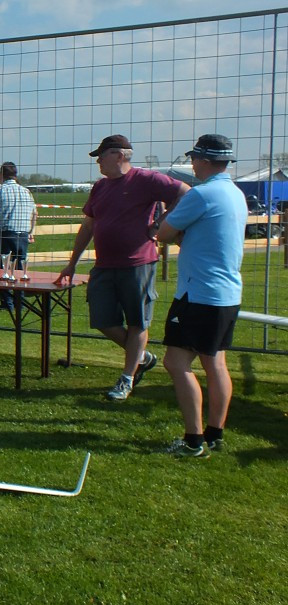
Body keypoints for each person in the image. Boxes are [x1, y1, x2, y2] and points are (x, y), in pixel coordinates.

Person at [56, 134, 189, 402]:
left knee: (138, 320)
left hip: (138, 263)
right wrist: (72, 263)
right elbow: (89, 226)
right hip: (104, 265)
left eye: (101, 157)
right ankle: (141, 357)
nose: (98, 163)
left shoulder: (147, 179)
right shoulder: (100, 187)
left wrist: (160, 223)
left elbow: (185, 193)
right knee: (102, 320)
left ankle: (126, 378)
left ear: (119, 155)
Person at [156, 134, 248, 457]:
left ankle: (193, 441)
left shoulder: (202, 195)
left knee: (175, 362)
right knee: (216, 363)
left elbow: (163, 232)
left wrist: (175, 227)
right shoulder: (236, 194)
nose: (192, 163)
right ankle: (214, 433)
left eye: (194, 157)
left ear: (205, 160)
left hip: (198, 294)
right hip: (227, 293)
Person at [0, 162, 37, 314]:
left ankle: (7, 302)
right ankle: (19, 300)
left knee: (3, 268)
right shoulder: (26, 191)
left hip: (5, 234)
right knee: (19, 268)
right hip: (23, 235)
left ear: (1, 175)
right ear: (16, 174)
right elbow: (35, 213)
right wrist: (31, 231)